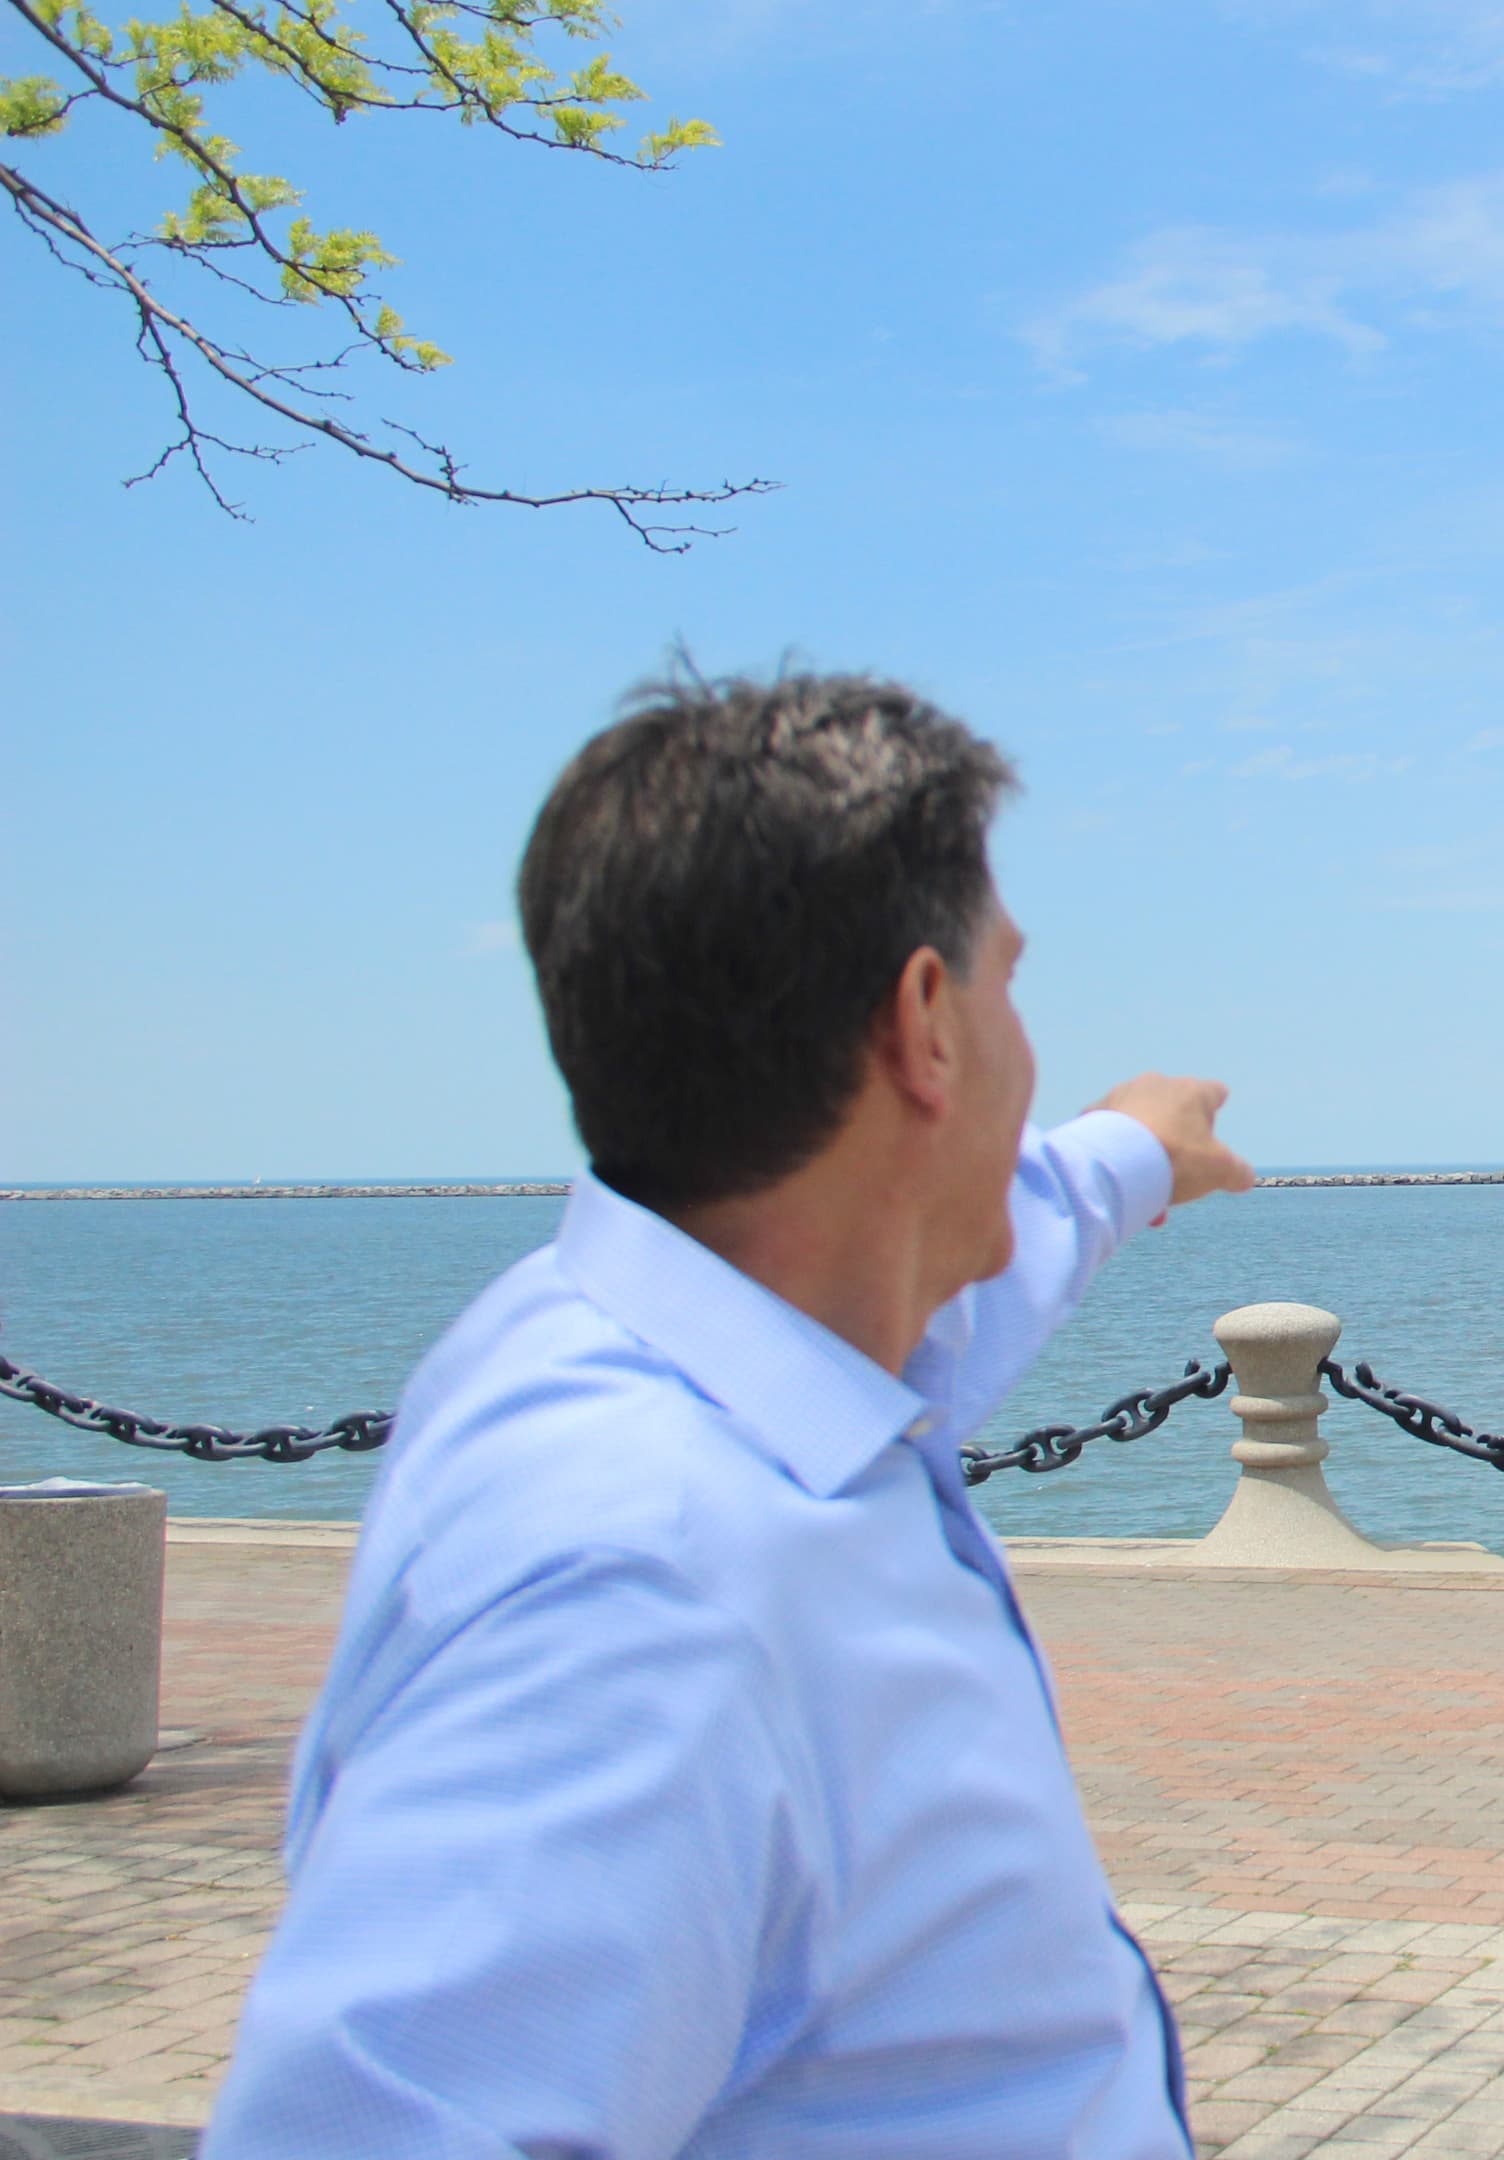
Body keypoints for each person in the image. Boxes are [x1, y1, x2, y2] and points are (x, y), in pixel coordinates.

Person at [205, 669, 1251, 2157]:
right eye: (1009, 983)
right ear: (928, 1024)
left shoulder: (690, 1335)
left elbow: (968, 1275)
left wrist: (1135, 1152)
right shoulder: (648, 1580)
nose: (1030, 1048)